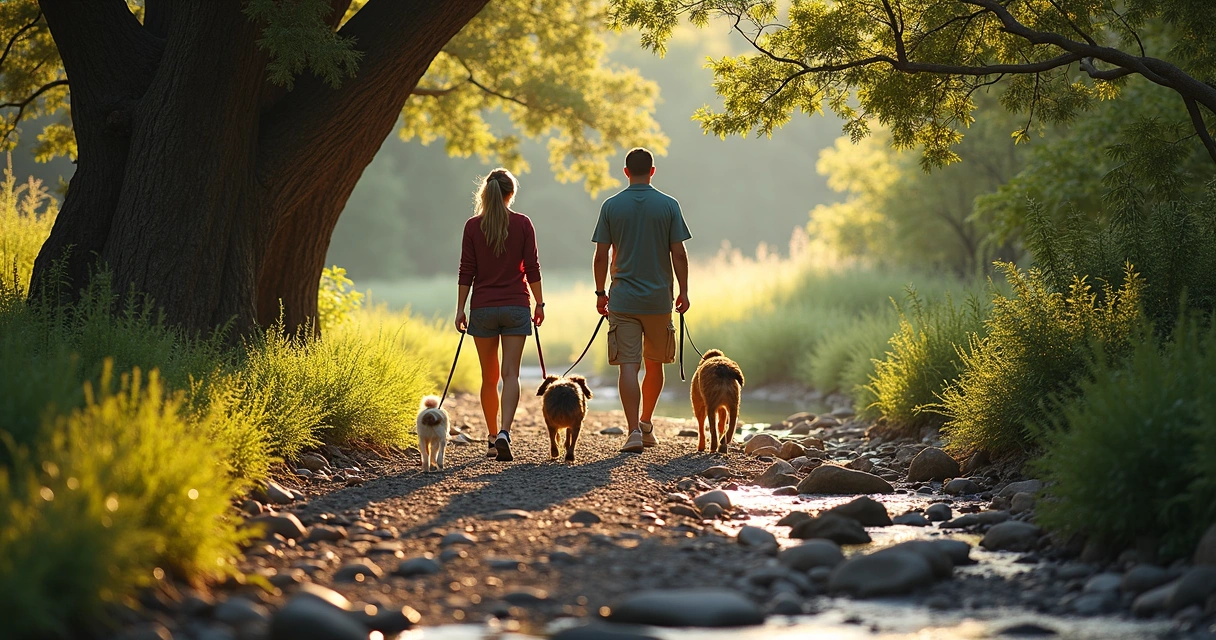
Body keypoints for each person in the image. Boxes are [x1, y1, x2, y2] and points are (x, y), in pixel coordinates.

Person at [591, 147, 691, 453]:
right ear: (652, 171)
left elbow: (601, 256)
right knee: (655, 364)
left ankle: (633, 430)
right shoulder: (669, 205)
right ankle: (646, 423)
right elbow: (679, 253)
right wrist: (684, 291)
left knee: (628, 366)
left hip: (622, 300)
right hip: (659, 300)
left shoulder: (611, 206)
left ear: (625, 172)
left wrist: (600, 293)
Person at [456, 168, 544, 462]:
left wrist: (460, 308)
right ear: (511, 194)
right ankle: (506, 431)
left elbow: (466, 271)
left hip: (482, 308)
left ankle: (493, 437)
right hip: (516, 306)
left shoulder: (472, 226)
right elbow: (532, 267)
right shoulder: (523, 223)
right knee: (510, 374)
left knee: (489, 377)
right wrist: (540, 303)